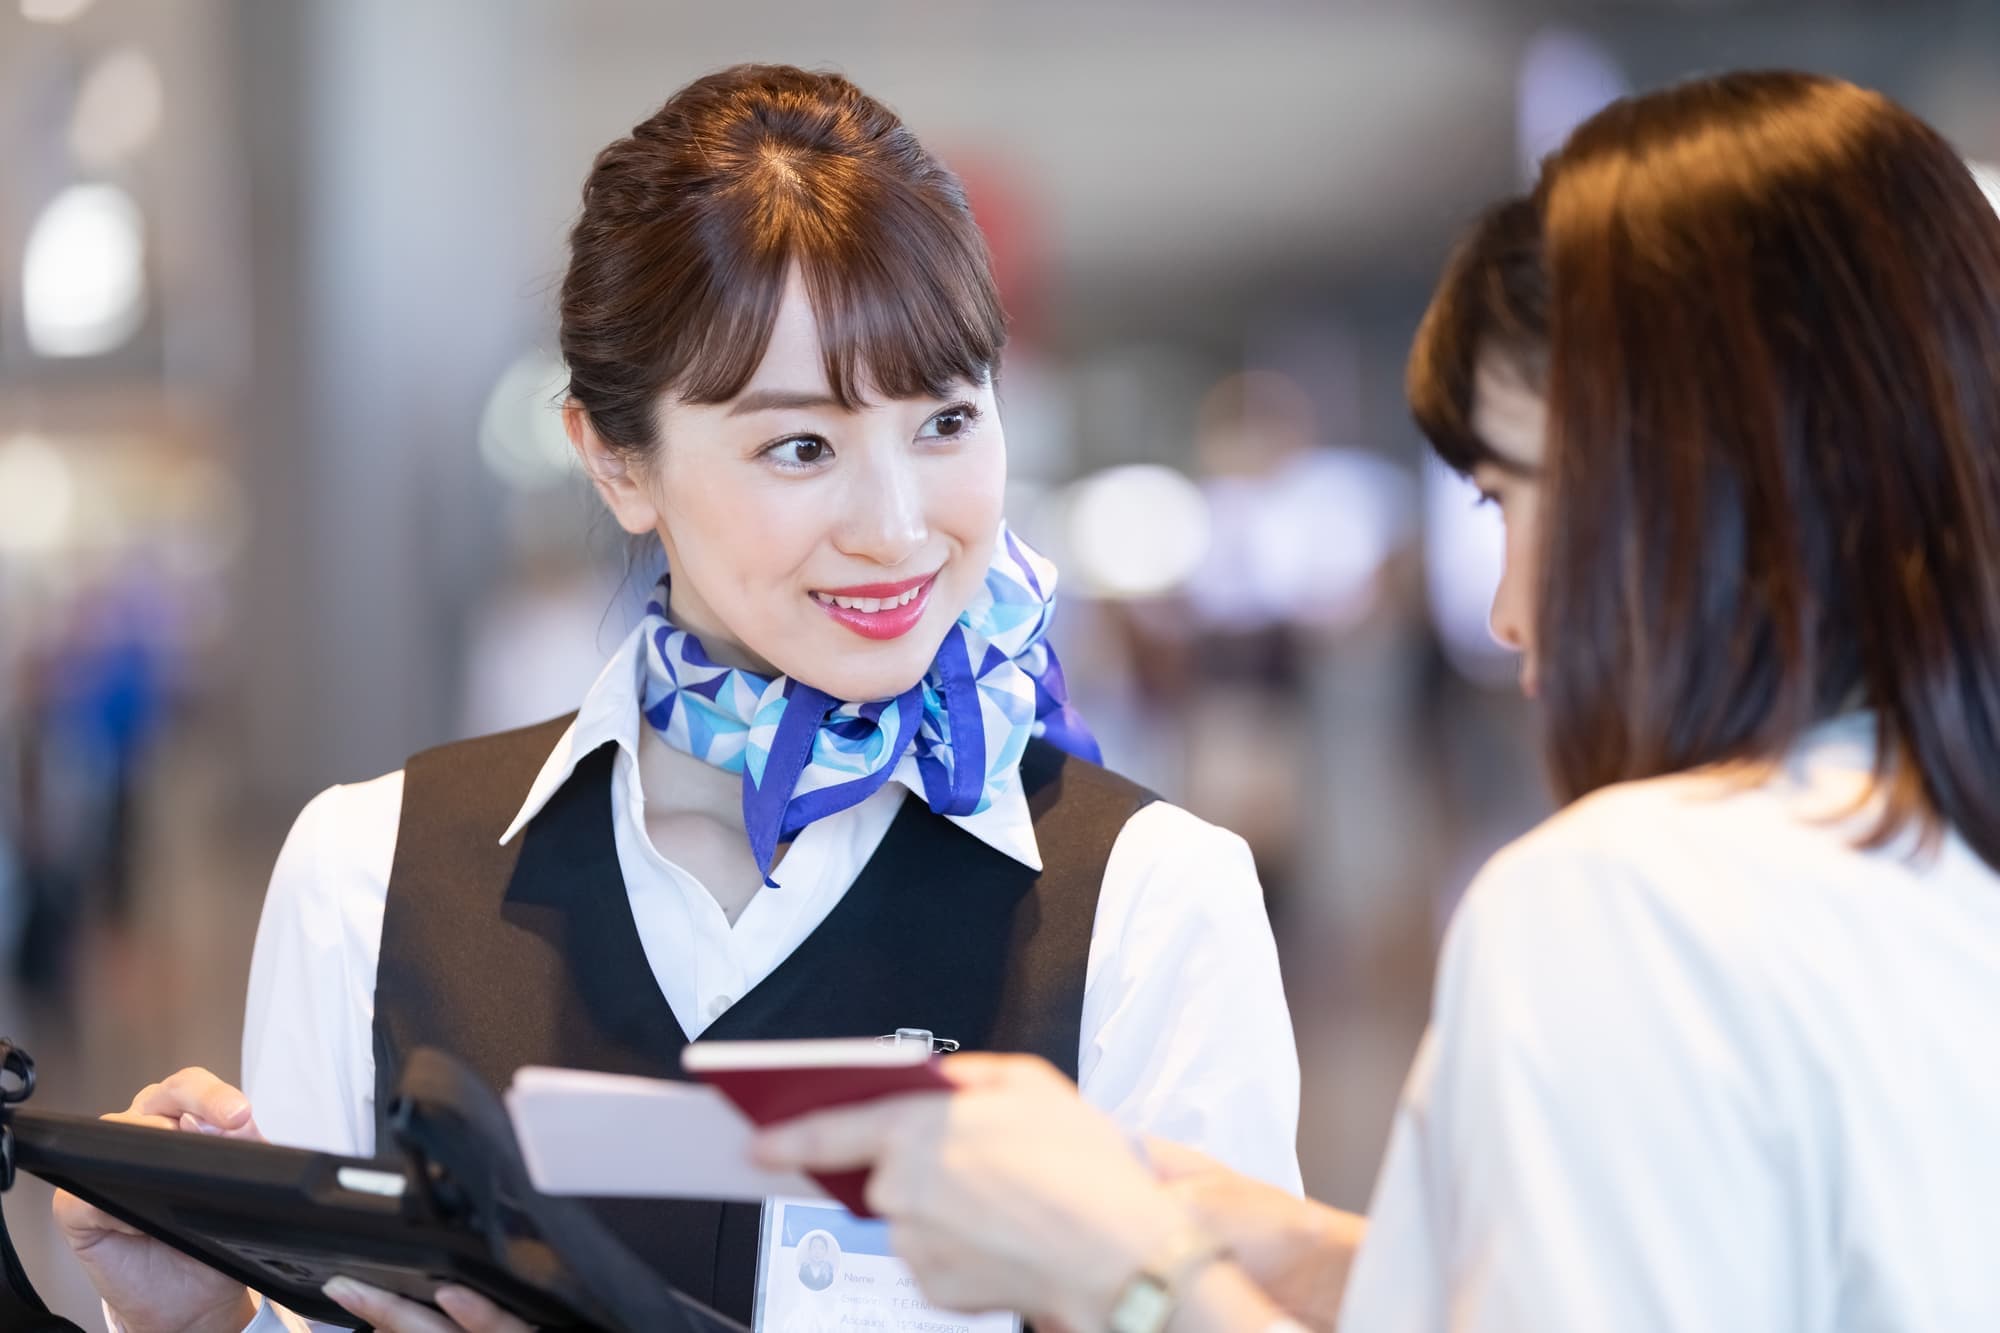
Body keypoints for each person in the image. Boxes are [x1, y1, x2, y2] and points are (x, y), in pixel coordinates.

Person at [55, 65, 1301, 1333]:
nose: (895, 526)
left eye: (944, 420)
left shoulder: (1150, 904)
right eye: (799, 446)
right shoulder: (371, 875)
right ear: (614, 459)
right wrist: (193, 1323)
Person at [754, 70, 2000, 1332]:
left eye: (1510, 495)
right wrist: (1348, 1261)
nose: (1509, 605)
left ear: (1697, 474)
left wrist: (1128, 1279)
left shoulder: (1626, 901)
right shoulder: (1936, 855)